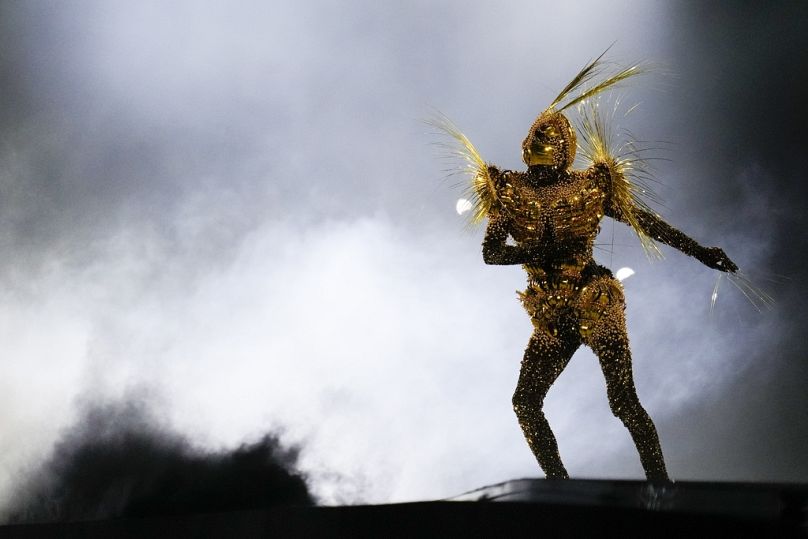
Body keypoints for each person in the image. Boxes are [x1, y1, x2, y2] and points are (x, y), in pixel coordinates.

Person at [432, 53, 737, 481]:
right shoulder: (510, 192)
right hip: (552, 315)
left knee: (622, 401)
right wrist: (533, 255)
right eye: (536, 139)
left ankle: (661, 486)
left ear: (564, 149)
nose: (539, 145)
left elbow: (644, 221)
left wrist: (701, 250)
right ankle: (560, 487)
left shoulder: (588, 186)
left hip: (594, 299)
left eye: (548, 139)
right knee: (525, 402)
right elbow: (490, 252)